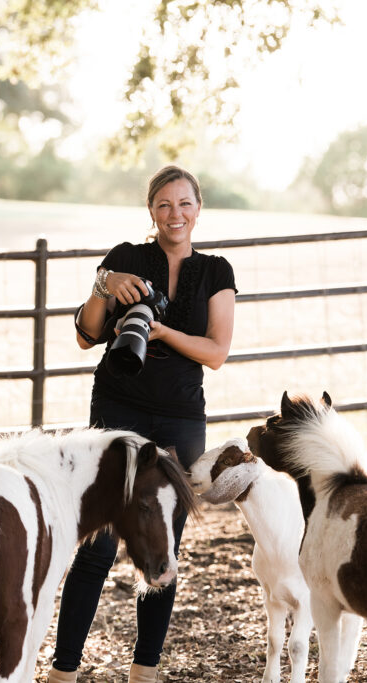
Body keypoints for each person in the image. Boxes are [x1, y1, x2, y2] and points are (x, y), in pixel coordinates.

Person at [48, 165, 237, 683]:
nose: (174, 214)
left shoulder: (217, 271)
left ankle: (144, 671)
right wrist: (102, 282)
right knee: (98, 544)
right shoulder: (125, 258)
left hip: (180, 417)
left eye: (184, 204)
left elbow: (217, 352)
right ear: (150, 211)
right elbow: (88, 335)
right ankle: (64, 671)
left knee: (163, 548)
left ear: (199, 209)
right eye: (163, 205)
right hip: (117, 408)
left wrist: (161, 332)